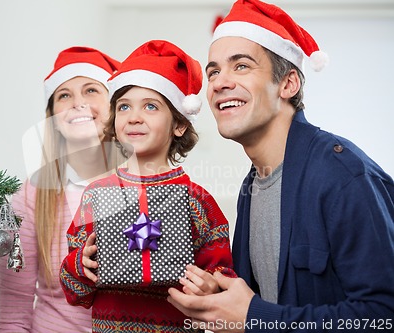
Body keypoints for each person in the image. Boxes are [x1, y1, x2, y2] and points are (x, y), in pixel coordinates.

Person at [167, 0, 394, 332]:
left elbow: (383, 316)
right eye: (213, 71)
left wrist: (253, 317)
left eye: (241, 66)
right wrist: (222, 298)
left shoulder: (343, 176)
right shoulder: (253, 185)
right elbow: (266, 301)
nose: (218, 82)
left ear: (288, 84)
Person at [59, 40, 237, 332]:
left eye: (151, 106)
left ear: (179, 125)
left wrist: (211, 286)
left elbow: (223, 279)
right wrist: (80, 266)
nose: (134, 116)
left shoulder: (197, 201)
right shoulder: (96, 196)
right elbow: (75, 294)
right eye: (124, 106)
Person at [0, 46, 122, 333]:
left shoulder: (146, 186)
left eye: (91, 90)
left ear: (114, 105)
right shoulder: (31, 195)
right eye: (64, 95)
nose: (78, 103)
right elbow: (14, 307)